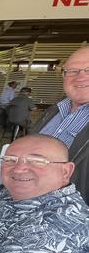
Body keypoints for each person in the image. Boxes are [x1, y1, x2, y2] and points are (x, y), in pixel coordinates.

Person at [31, 46, 89, 201]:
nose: (80, 77)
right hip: (26, 208)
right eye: (72, 71)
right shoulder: (52, 112)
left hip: (74, 218)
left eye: (88, 70)